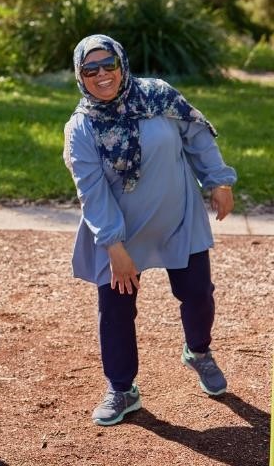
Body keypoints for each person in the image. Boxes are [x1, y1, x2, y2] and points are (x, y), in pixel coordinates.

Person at [62, 34, 237, 427]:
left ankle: (199, 352)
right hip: (120, 234)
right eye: (90, 69)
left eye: (109, 65)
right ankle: (122, 389)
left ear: (122, 64)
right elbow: (91, 190)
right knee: (116, 311)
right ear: (80, 75)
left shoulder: (158, 96)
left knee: (198, 295)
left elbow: (197, 135)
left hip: (179, 220)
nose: (102, 75)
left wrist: (218, 181)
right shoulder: (81, 127)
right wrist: (113, 245)